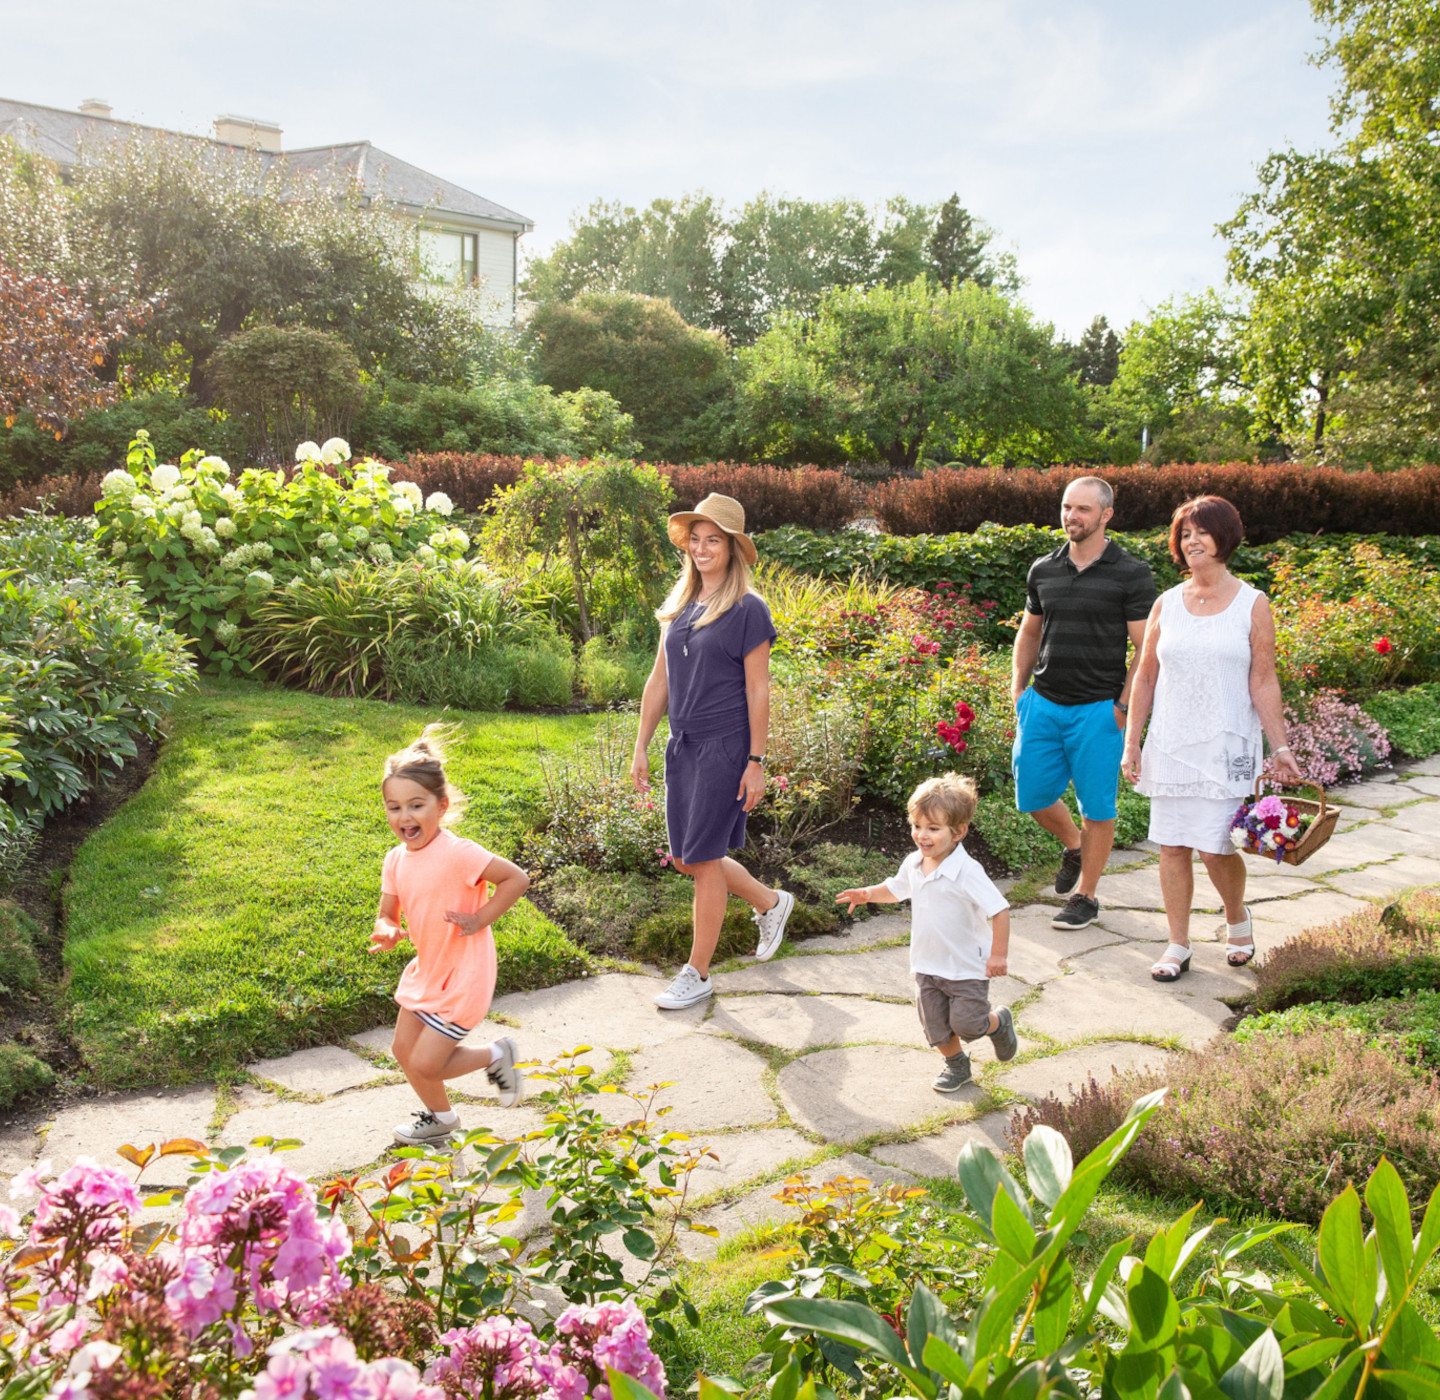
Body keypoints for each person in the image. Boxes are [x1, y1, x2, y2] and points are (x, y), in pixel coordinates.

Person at [1121, 496, 1303, 981]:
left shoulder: (1252, 602)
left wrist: (1280, 747)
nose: (1192, 541)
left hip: (1228, 746)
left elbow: (1263, 680)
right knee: (1173, 846)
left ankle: (1236, 918)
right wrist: (1132, 741)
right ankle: (1177, 944)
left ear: (1225, 538)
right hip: (1172, 743)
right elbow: (1144, 677)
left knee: (1218, 845)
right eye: (1184, 533)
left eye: (1201, 531)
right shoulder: (1167, 603)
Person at [631, 493, 794, 1010]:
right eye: (696, 540)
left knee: (702, 861)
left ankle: (698, 973)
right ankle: (770, 902)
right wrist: (641, 745)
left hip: (726, 747)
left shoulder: (748, 609)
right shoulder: (680, 605)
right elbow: (659, 681)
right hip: (684, 745)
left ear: (733, 548)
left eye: (714, 541)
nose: (703, 549)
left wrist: (756, 762)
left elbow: (758, 690)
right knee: (685, 858)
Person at [370, 725, 530, 1145]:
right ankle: (440, 1118)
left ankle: (497, 1055)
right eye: (394, 807)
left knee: (425, 1061)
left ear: (441, 806)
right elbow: (387, 911)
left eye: (416, 805)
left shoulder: (459, 853)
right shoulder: (395, 859)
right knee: (404, 1054)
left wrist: (482, 918)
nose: (404, 817)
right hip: (428, 970)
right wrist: (387, 929)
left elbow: (516, 878)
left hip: (463, 974)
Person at [1012, 475, 1157, 931]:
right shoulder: (1044, 568)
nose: (1071, 517)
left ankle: (1086, 896)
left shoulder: (1131, 573)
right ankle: (1075, 845)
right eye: (1066, 507)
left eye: (1083, 509)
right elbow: (1030, 631)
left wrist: (1122, 706)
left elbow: (1145, 650)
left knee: (1098, 807)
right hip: (1044, 703)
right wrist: (1018, 691)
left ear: (1106, 515)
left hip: (1098, 711)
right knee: (1031, 793)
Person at [837, 773, 1016, 1093]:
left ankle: (998, 1023)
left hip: (966, 967)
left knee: (969, 1024)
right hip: (926, 963)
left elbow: (999, 910)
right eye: (917, 826)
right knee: (934, 1025)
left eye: (933, 828)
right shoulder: (914, 863)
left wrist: (998, 955)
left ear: (958, 831)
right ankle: (957, 1066)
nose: (922, 835)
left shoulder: (967, 871)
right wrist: (867, 894)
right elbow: (895, 889)